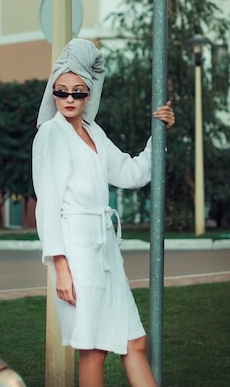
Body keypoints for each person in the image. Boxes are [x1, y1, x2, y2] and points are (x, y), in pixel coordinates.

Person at [32, 38, 175, 387]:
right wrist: (60, 266)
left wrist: (159, 134)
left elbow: (131, 173)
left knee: (134, 342)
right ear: (53, 92)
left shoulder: (94, 133)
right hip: (77, 252)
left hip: (107, 250)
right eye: (61, 91)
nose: (68, 99)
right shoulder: (51, 135)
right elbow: (47, 204)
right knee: (93, 350)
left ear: (89, 94)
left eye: (77, 92)